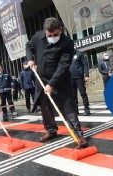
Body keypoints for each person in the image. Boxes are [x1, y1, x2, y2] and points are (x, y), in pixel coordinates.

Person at [26, 17, 88, 147]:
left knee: (68, 106)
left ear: (60, 30)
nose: (53, 37)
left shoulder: (67, 42)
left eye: (56, 34)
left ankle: (78, 134)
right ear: (44, 31)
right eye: (50, 35)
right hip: (41, 79)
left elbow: (64, 65)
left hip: (60, 79)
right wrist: (30, 59)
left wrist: (52, 84)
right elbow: (29, 46)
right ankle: (51, 130)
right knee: (45, 106)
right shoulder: (38, 36)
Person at [69, 51, 91, 116]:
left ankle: (86, 109)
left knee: (83, 93)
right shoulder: (66, 55)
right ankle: (75, 110)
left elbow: (85, 64)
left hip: (79, 77)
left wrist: (86, 75)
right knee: (73, 95)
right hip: (70, 78)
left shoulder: (79, 54)